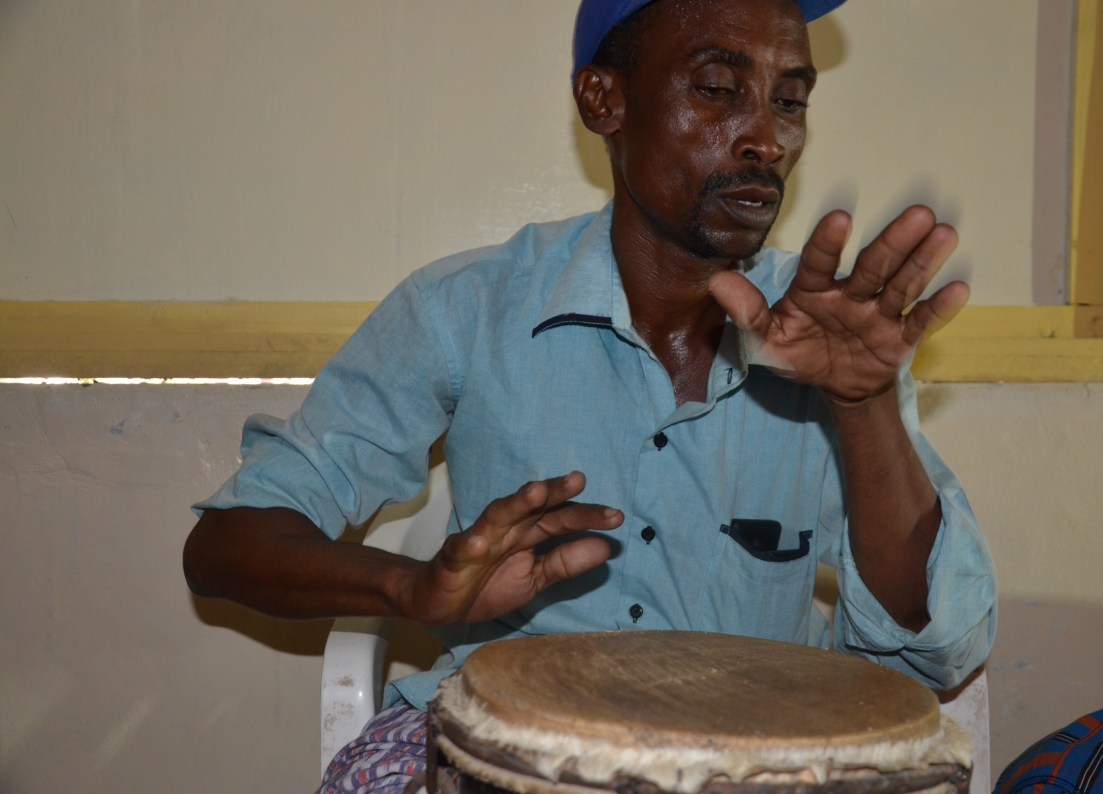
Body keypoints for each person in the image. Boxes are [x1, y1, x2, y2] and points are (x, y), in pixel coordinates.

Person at [183, 0, 996, 790]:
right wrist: (412, 588)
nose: (767, 138)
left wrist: (863, 404)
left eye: (789, 101)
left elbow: (940, 648)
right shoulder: (466, 310)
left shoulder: (832, 332)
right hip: (507, 755)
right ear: (604, 101)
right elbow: (225, 546)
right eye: (718, 89)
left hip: (766, 761)